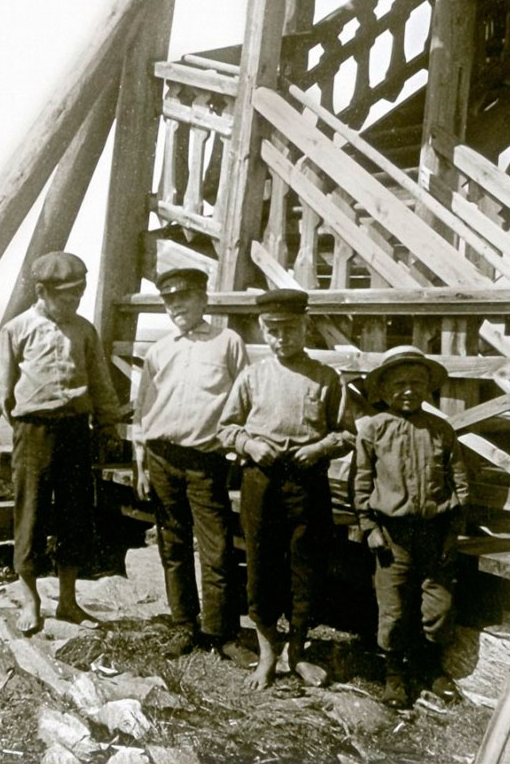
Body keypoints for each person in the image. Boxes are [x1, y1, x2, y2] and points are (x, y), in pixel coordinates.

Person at [218, 289, 356, 690]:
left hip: (307, 480)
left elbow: (347, 432)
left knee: (305, 565)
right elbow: (226, 428)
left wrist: (320, 447)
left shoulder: (327, 377)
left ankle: (297, 653)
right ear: (263, 330)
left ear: (305, 327)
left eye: (290, 329)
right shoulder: (252, 376)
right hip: (260, 480)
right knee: (261, 565)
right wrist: (250, 444)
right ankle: (267, 654)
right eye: (273, 331)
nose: (282, 338)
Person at [0, 251, 120, 634]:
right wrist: (23, 420)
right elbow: (1, 385)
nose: (74, 302)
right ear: (42, 291)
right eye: (66, 295)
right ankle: (31, 602)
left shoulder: (84, 330)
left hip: (77, 431)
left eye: (79, 294)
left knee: (75, 514)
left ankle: (67, 601)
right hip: (34, 433)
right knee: (30, 514)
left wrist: (108, 421)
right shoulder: (17, 329)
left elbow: (100, 379)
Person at [134, 267, 252, 662]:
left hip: (206, 461)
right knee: (173, 544)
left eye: (183, 297)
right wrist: (140, 461)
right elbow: (143, 410)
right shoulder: (159, 350)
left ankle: (221, 633)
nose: (176, 306)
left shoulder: (228, 342)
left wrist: (234, 449)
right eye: (169, 300)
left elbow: (245, 397)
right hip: (162, 456)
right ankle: (185, 624)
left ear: (204, 298)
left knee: (217, 548)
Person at [353, 345, 469, 708]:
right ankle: (394, 675)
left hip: (435, 536)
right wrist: (370, 527)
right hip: (393, 537)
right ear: (385, 390)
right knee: (394, 611)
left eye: (417, 382)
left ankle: (430, 668)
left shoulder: (440, 430)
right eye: (399, 383)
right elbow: (360, 483)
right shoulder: (374, 429)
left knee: (438, 609)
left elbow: (460, 484)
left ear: (428, 388)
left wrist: (453, 532)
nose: (408, 390)